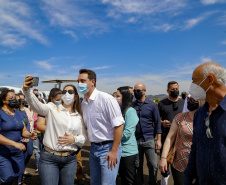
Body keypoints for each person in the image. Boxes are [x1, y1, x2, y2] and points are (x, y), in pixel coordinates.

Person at [22, 76, 87, 185]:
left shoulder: (79, 116)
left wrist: (74, 139)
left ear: (75, 97)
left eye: (70, 91)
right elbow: (37, 106)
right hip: (49, 158)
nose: (66, 93)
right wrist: (27, 90)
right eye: (64, 91)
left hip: (70, 159)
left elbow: (84, 137)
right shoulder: (52, 107)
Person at [77, 69, 124, 185]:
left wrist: (114, 151)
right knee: (95, 182)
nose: (79, 84)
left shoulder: (106, 99)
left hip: (108, 148)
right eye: (78, 81)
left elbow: (119, 126)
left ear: (92, 82)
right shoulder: (84, 104)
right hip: (94, 149)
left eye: (83, 81)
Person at [184, 62, 226, 185]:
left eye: (194, 81)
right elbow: (196, 148)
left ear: (210, 79)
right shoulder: (200, 113)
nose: (192, 86)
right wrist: (188, 177)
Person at [159, 96, 204, 185]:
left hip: (201, 165)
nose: (190, 101)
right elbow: (170, 138)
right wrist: (163, 158)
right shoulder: (180, 117)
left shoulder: (208, 118)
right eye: (188, 99)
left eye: (193, 99)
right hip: (180, 163)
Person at [0, 89, 37, 185]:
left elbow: (23, 130)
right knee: (8, 178)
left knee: (17, 177)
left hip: (17, 153)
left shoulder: (19, 113)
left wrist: (29, 134)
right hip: (3, 153)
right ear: (3, 100)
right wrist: (14, 144)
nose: (15, 100)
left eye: (15, 98)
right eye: (11, 98)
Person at [133, 83, 162, 185]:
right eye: (135, 90)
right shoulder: (132, 106)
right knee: (137, 165)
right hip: (135, 140)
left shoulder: (152, 105)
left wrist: (158, 140)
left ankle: (152, 182)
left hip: (149, 139)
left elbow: (158, 123)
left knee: (153, 164)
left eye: (138, 90)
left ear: (144, 91)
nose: (136, 92)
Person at [158, 81, 184, 184]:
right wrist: (162, 123)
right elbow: (156, 120)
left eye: (176, 89)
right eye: (173, 89)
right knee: (165, 161)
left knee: (179, 161)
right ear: (168, 91)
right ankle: (164, 180)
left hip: (181, 138)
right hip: (166, 137)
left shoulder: (183, 102)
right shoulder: (162, 103)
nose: (175, 91)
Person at [116, 86, 139, 185]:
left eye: (118, 96)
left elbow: (127, 133)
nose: (115, 98)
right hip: (119, 150)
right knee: (122, 178)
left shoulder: (130, 111)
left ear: (124, 97)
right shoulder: (119, 111)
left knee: (128, 179)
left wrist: (112, 138)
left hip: (128, 152)